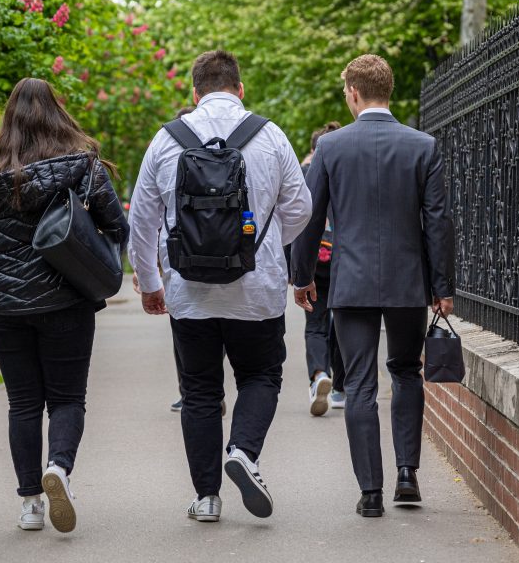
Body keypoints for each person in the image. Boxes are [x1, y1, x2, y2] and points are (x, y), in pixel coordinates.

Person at [128, 50, 311, 523]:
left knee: (200, 392)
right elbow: (301, 209)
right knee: (262, 376)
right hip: (257, 289)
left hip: (189, 292)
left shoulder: (167, 141)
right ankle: (244, 453)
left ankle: (207, 498)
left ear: (194, 92)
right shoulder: (270, 137)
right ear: (240, 88)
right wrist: (265, 245)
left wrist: (151, 282)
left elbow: (143, 221)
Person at [0, 78, 129, 533]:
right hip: (66, 300)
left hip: (5, 308)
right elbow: (118, 229)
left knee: (24, 404)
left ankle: (31, 501)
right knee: (68, 398)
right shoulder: (86, 170)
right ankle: (60, 468)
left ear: (11, 122)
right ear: (58, 116)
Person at [291, 54, 455, 518]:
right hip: (408, 284)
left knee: (359, 383)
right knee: (405, 371)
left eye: (346, 92)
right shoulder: (423, 146)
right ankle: (407, 474)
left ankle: (371, 493)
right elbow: (438, 222)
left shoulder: (331, 148)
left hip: (352, 282)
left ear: (355, 93)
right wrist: (442, 285)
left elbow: (310, 217)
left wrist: (301, 277)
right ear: (389, 91)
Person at [298, 122, 346, 416]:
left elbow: (298, 224)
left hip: (315, 262)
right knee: (342, 323)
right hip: (345, 261)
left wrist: (297, 272)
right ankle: (340, 386)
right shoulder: (352, 174)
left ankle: (319, 375)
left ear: (314, 150)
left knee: (315, 324)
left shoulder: (306, 176)